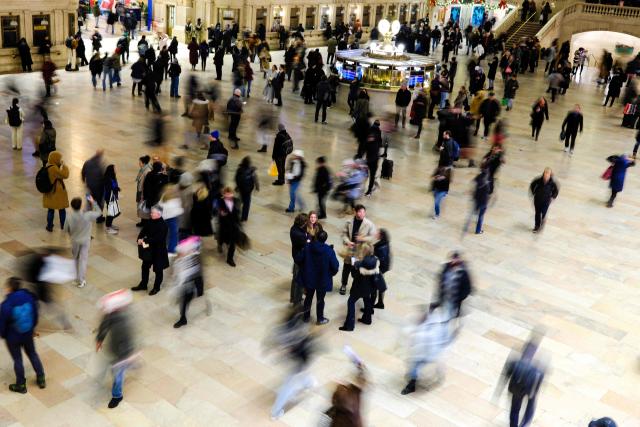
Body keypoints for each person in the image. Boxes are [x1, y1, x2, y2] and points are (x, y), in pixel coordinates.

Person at [0, 277, 46, 394]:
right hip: (27, 333)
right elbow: (35, 314)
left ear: (10, 288)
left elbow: (2, 323)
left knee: (18, 359)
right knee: (32, 353)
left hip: (13, 337)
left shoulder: (6, 304)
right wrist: (32, 328)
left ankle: (20, 385)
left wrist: (4, 335)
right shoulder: (29, 297)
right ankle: (41, 378)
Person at [400, 307, 456, 395]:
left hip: (428, 353)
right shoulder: (425, 324)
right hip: (422, 352)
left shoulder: (436, 327)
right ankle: (412, 383)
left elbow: (433, 340)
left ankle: (412, 385)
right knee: (414, 367)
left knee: (415, 367)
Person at [96, 289, 137, 409]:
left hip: (124, 351)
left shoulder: (125, 319)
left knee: (118, 374)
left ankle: (117, 396)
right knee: (116, 370)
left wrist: (126, 355)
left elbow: (128, 337)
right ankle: (130, 364)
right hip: (116, 349)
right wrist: (99, 339)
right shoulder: (111, 314)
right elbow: (104, 325)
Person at [493, 333, 546, 427]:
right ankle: (524, 425)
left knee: (514, 410)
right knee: (529, 409)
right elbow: (539, 382)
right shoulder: (536, 368)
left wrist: (498, 392)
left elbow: (504, 377)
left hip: (515, 390)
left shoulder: (514, 362)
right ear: (534, 352)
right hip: (529, 391)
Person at [295, 230, 339, 325]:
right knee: (320, 300)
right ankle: (320, 318)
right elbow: (335, 266)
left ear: (316, 237)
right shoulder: (329, 250)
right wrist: (330, 274)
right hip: (322, 280)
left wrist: (304, 268)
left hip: (309, 278)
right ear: (325, 239)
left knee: (308, 298)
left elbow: (298, 259)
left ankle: (306, 317)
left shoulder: (307, 247)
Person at [172, 236, 211, 328]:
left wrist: (199, 288)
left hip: (193, 283)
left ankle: (205, 303)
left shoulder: (195, 259)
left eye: (182, 252)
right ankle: (183, 319)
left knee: (196, 296)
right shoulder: (179, 259)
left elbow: (199, 274)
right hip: (185, 285)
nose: (181, 254)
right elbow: (177, 270)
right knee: (184, 301)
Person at [64, 196, 102, 288]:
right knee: (83, 260)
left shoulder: (69, 216)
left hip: (75, 241)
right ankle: (81, 280)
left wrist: (71, 234)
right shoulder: (87, 215)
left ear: (72, 206)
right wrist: (93, 202)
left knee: (75, 259)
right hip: (85, 240)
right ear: (80, 206)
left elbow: (65, 229)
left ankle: (77, 279)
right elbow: (99, 212)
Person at [338, 244, 378, 332]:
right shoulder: (374, 260)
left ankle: (349, 325)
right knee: (367, 301)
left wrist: (353, 266)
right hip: (369, 287)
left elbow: (354, 275)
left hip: (359, 287)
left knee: (351, 302)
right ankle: (367, 319)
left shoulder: (360, 263)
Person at [339, 205, 376, 295]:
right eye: (359, 212)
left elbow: (373, 238)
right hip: (350, 250)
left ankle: (354, 287)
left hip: (360, 252)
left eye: (363, 212)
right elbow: (344, 234)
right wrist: (348, 241)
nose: (361, 214)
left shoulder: (369, 224)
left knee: (356, 270)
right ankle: (343, 285)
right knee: (346, 268)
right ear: (355, 212)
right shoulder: (349, 222)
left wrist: (362, 239)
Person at [132, 205, 169, 295]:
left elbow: (157, 239)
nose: (151, 214)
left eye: (153, 212)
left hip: (158, 251)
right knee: (145, 267)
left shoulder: (163, 225)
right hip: (149, 250)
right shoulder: (150, 221)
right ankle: (143, 284)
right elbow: (143, 231)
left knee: (158, 270)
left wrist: (144, 240)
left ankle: (157, 287)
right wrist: (139, 238)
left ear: (159, 214)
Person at [431, 252, 473, 319]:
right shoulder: (446, 267)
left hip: (455, 298)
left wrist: (461, 297)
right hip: (445, 295)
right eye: (453, 260)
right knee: (442, 310)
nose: (454, 262)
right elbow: (441, 277)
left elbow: (467, 288)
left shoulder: (463, 273)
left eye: (456, 261)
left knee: (449, 313)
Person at [43, 151, 69, 232]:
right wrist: (65, 166)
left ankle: (49, 226)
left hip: (50, 192)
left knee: (51, 209)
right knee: (61, 209)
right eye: (59, 158)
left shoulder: (48, 166)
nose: (60, 160)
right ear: (55, 159)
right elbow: (65, 175)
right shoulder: (54, 168)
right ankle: (63, 225)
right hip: (57, 191)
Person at [529, 167, 559, 233]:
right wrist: (533, 193)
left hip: (546, 201)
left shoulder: (552, 183)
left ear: (550, 175)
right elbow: (532, 185)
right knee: (537, 213)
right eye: (545, 173)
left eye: (548, 174)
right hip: (537, 200)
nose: (546, 175)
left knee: (543, 213)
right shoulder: (538, 180)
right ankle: (536, 226)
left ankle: (543, 221)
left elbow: (556, 190)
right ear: (543, 173)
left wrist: (553, 197)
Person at [217, 187, 241, 267]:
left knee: (232, 243)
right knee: (222, 238)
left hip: (233, 226)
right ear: (223, 195)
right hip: (224, 226)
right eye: (227, 194)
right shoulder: (220, 202)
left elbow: (237, 212)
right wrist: (221, 214)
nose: (229, 196)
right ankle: (220, 244)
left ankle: (230, 259)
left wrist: (238, 223)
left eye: (230, 194)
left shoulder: (236, 200)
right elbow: (218, 212)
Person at [463, 168, 491, 235]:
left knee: (473, 213)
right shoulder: (486, 184)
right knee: (481, 216)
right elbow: (488, 192)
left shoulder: (478, 178)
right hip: (483, 202)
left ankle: (467, 227)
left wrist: (472, 191)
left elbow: (473, 182)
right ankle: (478, 231)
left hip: (476, 199)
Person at [81, 149, 106, 223]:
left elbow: (83, 172)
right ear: (100, 156)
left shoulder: (87, 162)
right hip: (99, 189)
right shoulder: (101, 165)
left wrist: (84, 180)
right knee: (99, 203)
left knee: (89, 202)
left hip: (89, 187)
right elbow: (104, 176)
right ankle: (99, 218)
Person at [290, 213, 308, 306]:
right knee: (298, 281)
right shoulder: (299, 235)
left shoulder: (294, 227)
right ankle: (296, 301)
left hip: (296, 255)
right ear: (303, 223)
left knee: (295, 279)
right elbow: (306, 244)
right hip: (299, 259)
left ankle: (293, 297)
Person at [234, 156, 259, 221]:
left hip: (241, 189)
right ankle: (244, 217)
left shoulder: (239, 169)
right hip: (248, 190)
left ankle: (236, 213)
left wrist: (237, 186)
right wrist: (257, 187)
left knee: (239, 201)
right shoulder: (251, 170)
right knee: (246, 204)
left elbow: (236, 178)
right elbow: (255, 179)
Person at [363, 120, 382, 196]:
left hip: (370, 159)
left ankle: (370, 189)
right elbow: (380, 144)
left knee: (368, 174)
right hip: (374, 159)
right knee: (371, 175)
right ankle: (370, 189)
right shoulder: (378, 134)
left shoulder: (369, 134)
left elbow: (365, 146)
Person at [103, 165, 121, 234]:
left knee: (112, 212)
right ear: (111, 170)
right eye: (115, 168)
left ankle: (110, 225)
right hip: (109, 198)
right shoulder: (108, 178)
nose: (116, 169)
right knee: (110, 212)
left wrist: (117, 189)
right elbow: (109, 188)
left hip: (112, 197)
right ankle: (108, 227)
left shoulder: (112, 176)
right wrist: (116, 189)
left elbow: (114, 186)